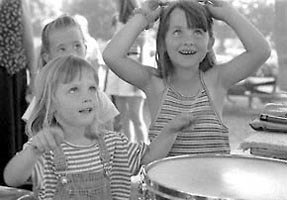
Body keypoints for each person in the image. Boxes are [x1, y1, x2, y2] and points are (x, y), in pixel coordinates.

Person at [3, 55, 193, 199]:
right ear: (51, 105)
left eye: (92, 88)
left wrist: (171, 131)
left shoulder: (113, 143)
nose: (87, 96)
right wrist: (33, 151)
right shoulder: (45, 149)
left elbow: (149, 156)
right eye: (74, 89)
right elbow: (12, 179)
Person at [103, 0, 271, 156]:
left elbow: (261, 50)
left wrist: (227, 13)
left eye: (198, 31)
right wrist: (144, 14)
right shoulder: (153, 83)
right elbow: (112, 55)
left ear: (210, 42)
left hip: (210, 187)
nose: (188, 40)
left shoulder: (217, 80)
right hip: (163, 187)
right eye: (177, 32)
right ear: (162, 42)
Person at [22, 15, 118, 131]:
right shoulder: (44, 98)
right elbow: (33, 136)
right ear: (47, 57)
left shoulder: (96, 96)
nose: (72, 53)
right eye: (62, 49)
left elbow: (110, 134)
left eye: (77, 46)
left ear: (85, 49)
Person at [0, 0, 36, 185]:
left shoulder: (17, 3)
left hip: (12, 78)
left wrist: (34, 77)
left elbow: (28, 42)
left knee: (11, 130)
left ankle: (13, 181)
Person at [105, 0, 148, 143]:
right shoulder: (116, 19)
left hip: (132, 62)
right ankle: (129, 149)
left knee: (136, 116)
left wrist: (139, 76)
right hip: (117, 67)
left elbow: (143, 47)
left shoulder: (138, 18)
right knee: (123, 117)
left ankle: (143, 148)